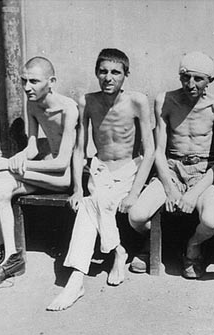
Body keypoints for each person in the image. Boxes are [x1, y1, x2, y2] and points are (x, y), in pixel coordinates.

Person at [46, 49, 154, 311]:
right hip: (102, 169)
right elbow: (80, 149)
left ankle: (81, 275)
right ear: (96, 73)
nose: (108, 77)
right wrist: (75, 188)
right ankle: (94, 267)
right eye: (103, 71)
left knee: (93, 204)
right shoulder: (88, 101)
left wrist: (134, 193)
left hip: (130, 168)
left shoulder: (137, 101)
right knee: (91, 201)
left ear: (125, 75)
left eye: (115, 72)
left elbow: (149, 150)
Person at [0, 57, 78, 289]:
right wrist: (18, 158)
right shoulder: (33, 103)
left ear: (52, 82)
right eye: (24, 81)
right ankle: (5, 253)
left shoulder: (69, 109)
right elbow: (33, 147)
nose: (27, 87)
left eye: (34, 81)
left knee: (1, 173)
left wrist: (12, 166)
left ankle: (5, 254)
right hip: (43, 172)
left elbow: (62, 164)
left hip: (63, 177)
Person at [128, 51, 214, 279]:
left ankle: (192, 247)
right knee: (137, 215)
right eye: (185, 77)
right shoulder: (166, 100)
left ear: (209, 81)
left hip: (203, 171)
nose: (190, 84)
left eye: (198, 79)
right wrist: (171, 189)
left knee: (211, 221)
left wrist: (193, 194)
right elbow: (159, 152)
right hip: (171, 168)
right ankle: (151, 242)